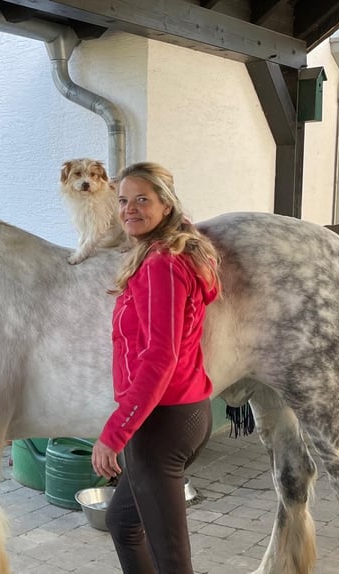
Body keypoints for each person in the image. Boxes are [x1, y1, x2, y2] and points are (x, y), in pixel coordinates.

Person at [91, 162, 220, 573]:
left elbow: (160, 356)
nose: (129, 209)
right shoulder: (163, 253)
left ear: (166, 206)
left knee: (172, 561)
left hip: (162, 423)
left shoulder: (163, 264)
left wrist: (114, 434)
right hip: (178, 415)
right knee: (122, 522)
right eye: (123, 200)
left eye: (142, 199)